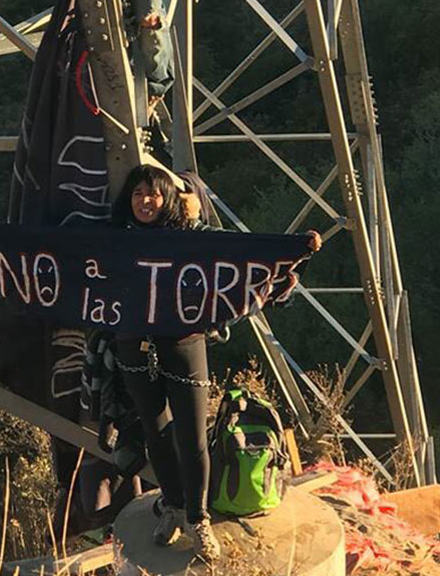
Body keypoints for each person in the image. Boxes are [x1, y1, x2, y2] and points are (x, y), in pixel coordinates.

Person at [110, 165, 321, 561]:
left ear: (168, 198)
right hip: (133, 345)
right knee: (155, 433)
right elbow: (63, 249)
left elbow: (243, 250)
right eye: (137, 194)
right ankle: (173, 507)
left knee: (191, 434)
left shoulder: (191, 239)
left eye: (153, 193)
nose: (145, 201)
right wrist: (3, 241)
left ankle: (198, 517)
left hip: (184, 344)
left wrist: (294, 248)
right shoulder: (116, 240)